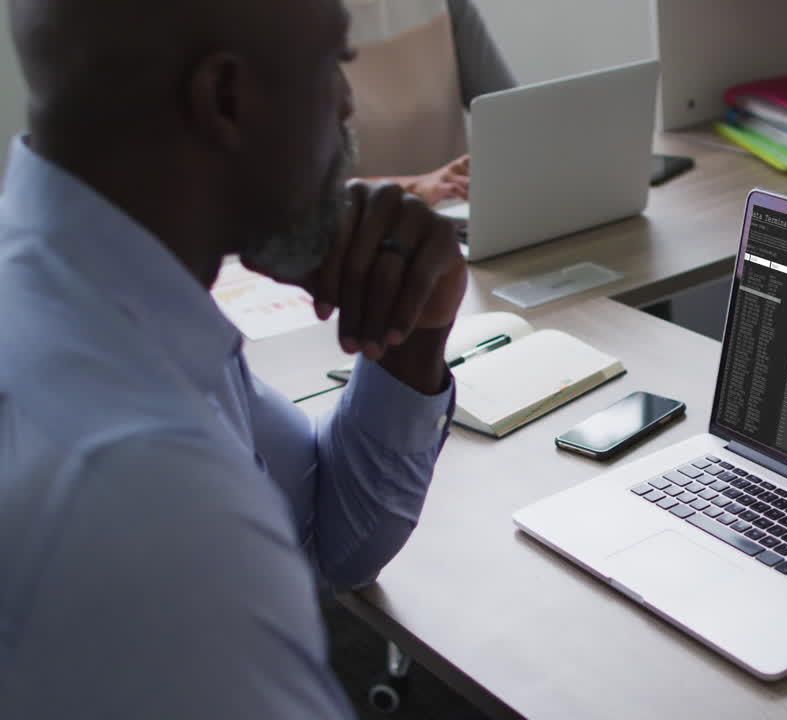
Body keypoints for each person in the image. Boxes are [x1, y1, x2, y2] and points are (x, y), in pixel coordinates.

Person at [0, 0, 465, 716]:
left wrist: (414, 331)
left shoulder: (93, 291)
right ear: (225, 99)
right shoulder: (150, 502)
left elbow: (324, 542)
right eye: (336, 63)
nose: (347, 107)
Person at [345, 0, 515, 205]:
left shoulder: (445, 5)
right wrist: (416, 186)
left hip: (456, 218)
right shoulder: (302, 23)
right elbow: (305, 198)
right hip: (356, 232)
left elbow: (513, 120)